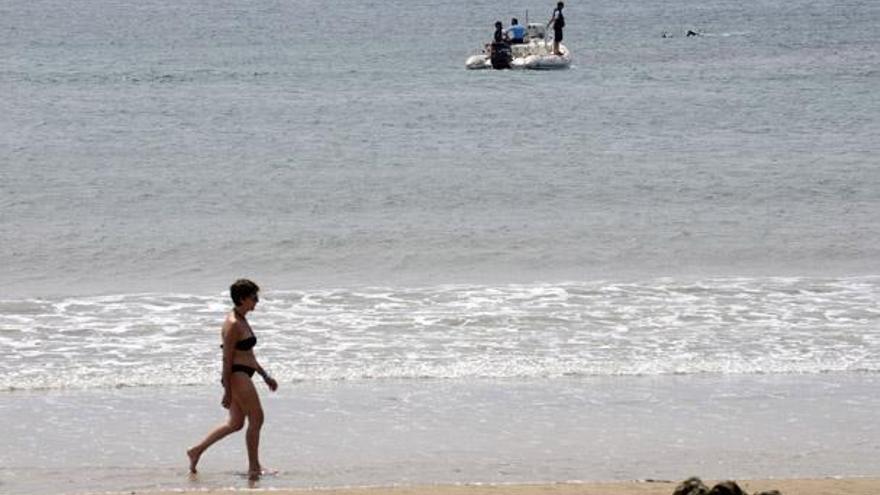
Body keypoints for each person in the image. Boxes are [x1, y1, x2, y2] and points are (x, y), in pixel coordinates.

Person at [187, 279, 278, 481]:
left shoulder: (243, 319)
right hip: (236, 375)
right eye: (254, 297)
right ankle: (254, 468)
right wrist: (227, 390)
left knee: (236, 423)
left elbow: (249, 355)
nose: (257, 301)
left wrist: (265, 376)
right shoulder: (233, 324)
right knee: (257, 418)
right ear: (242, 298)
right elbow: (227, 358)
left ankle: (196, 450)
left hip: (245, 372)